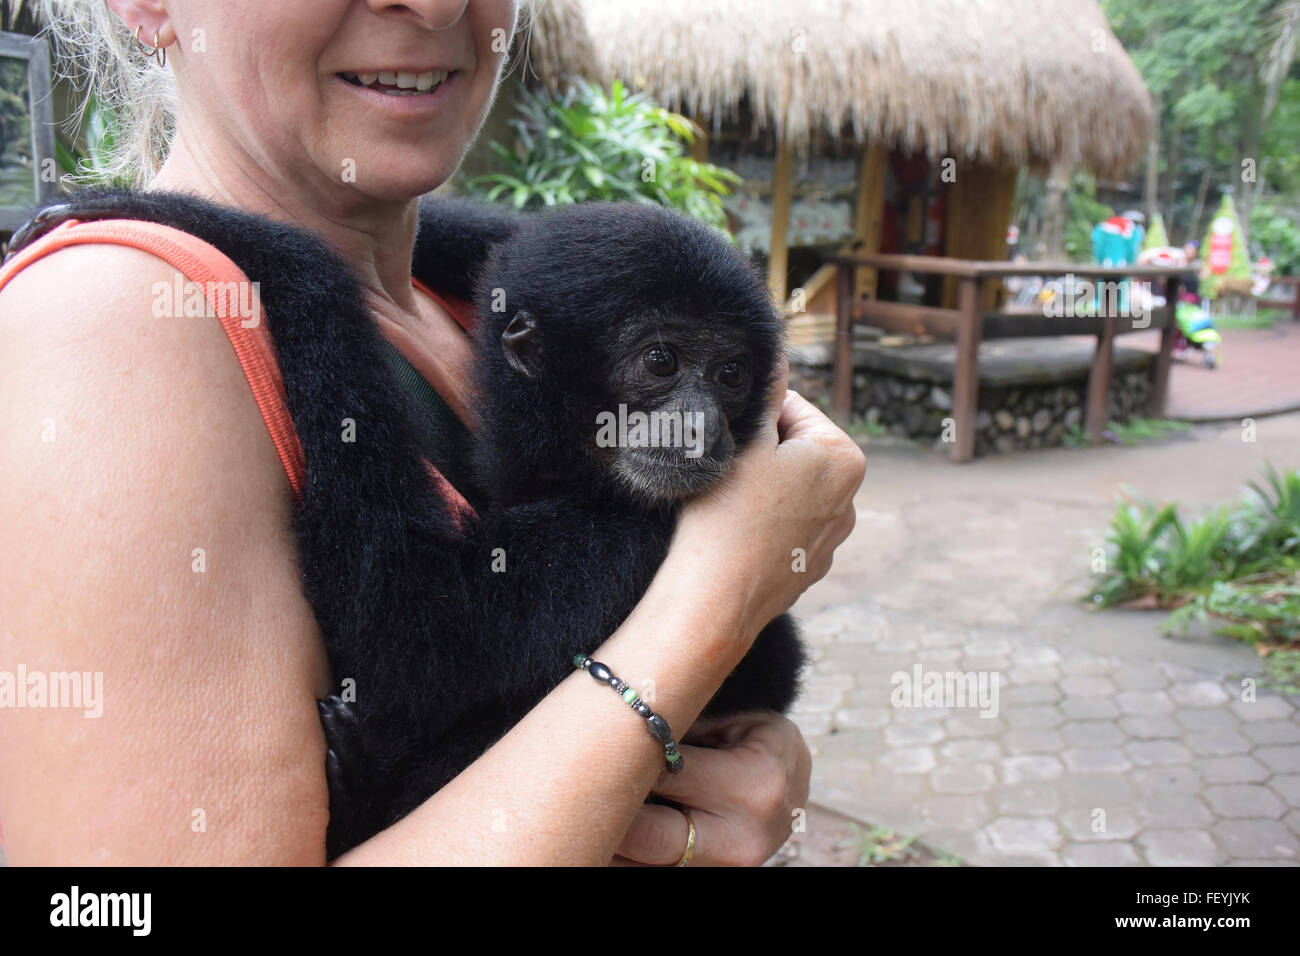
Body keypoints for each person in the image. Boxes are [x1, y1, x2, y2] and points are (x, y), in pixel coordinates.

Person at [0, 0, 865, 865]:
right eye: (665, 368)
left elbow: (520, 259)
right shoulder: (114, 327)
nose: (438, 2)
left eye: (722, 380)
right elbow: (426, 649)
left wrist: (745, 794)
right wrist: (721, 591)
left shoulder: (466, 299)